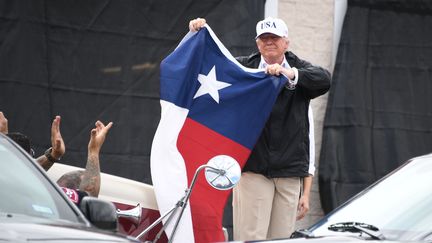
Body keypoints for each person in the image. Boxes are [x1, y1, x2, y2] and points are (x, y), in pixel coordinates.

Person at [189, 17, 331, 240]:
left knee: (282, 238)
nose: (269, 42)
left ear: (286, 42)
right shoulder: (243, 68)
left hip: (289, 171)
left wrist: (290, 74)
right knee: (251, 236)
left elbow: (324, 79)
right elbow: (208, 64)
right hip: (253, 168)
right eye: (264, 38)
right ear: (257, 44)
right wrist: (197, 34)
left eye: (274, 38)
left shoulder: (299, 69)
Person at [0, 111, 112, 205]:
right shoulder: (46, 198)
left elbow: (22, 169)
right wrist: (94, 151)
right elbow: (89, 198)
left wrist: (5, 144)